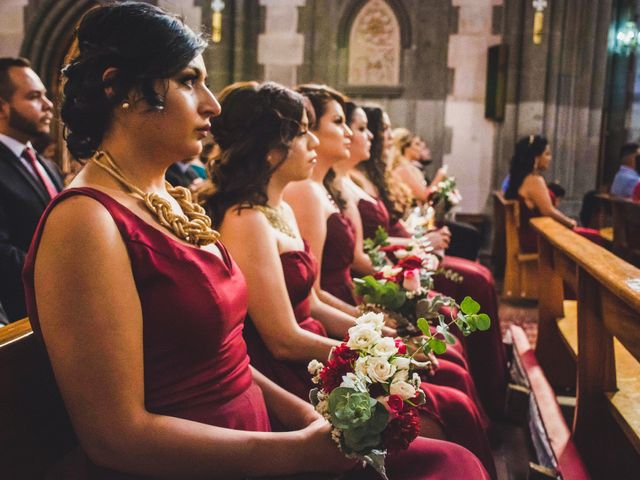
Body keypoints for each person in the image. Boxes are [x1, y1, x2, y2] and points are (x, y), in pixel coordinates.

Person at [22, 4, 362, 478]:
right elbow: (115, 437)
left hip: (257, 439)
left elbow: (228, 359)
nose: (212, 104)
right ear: (117, 87)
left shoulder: (171, 199)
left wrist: (302, 415)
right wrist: (297, 452)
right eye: (187, 81)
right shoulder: (86, 222)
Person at [0, 56, 62, 323]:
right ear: (2, 107)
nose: (48, 105)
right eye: (34, 97)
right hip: (19, 317)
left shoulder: (48, 166)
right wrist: (65, 272)